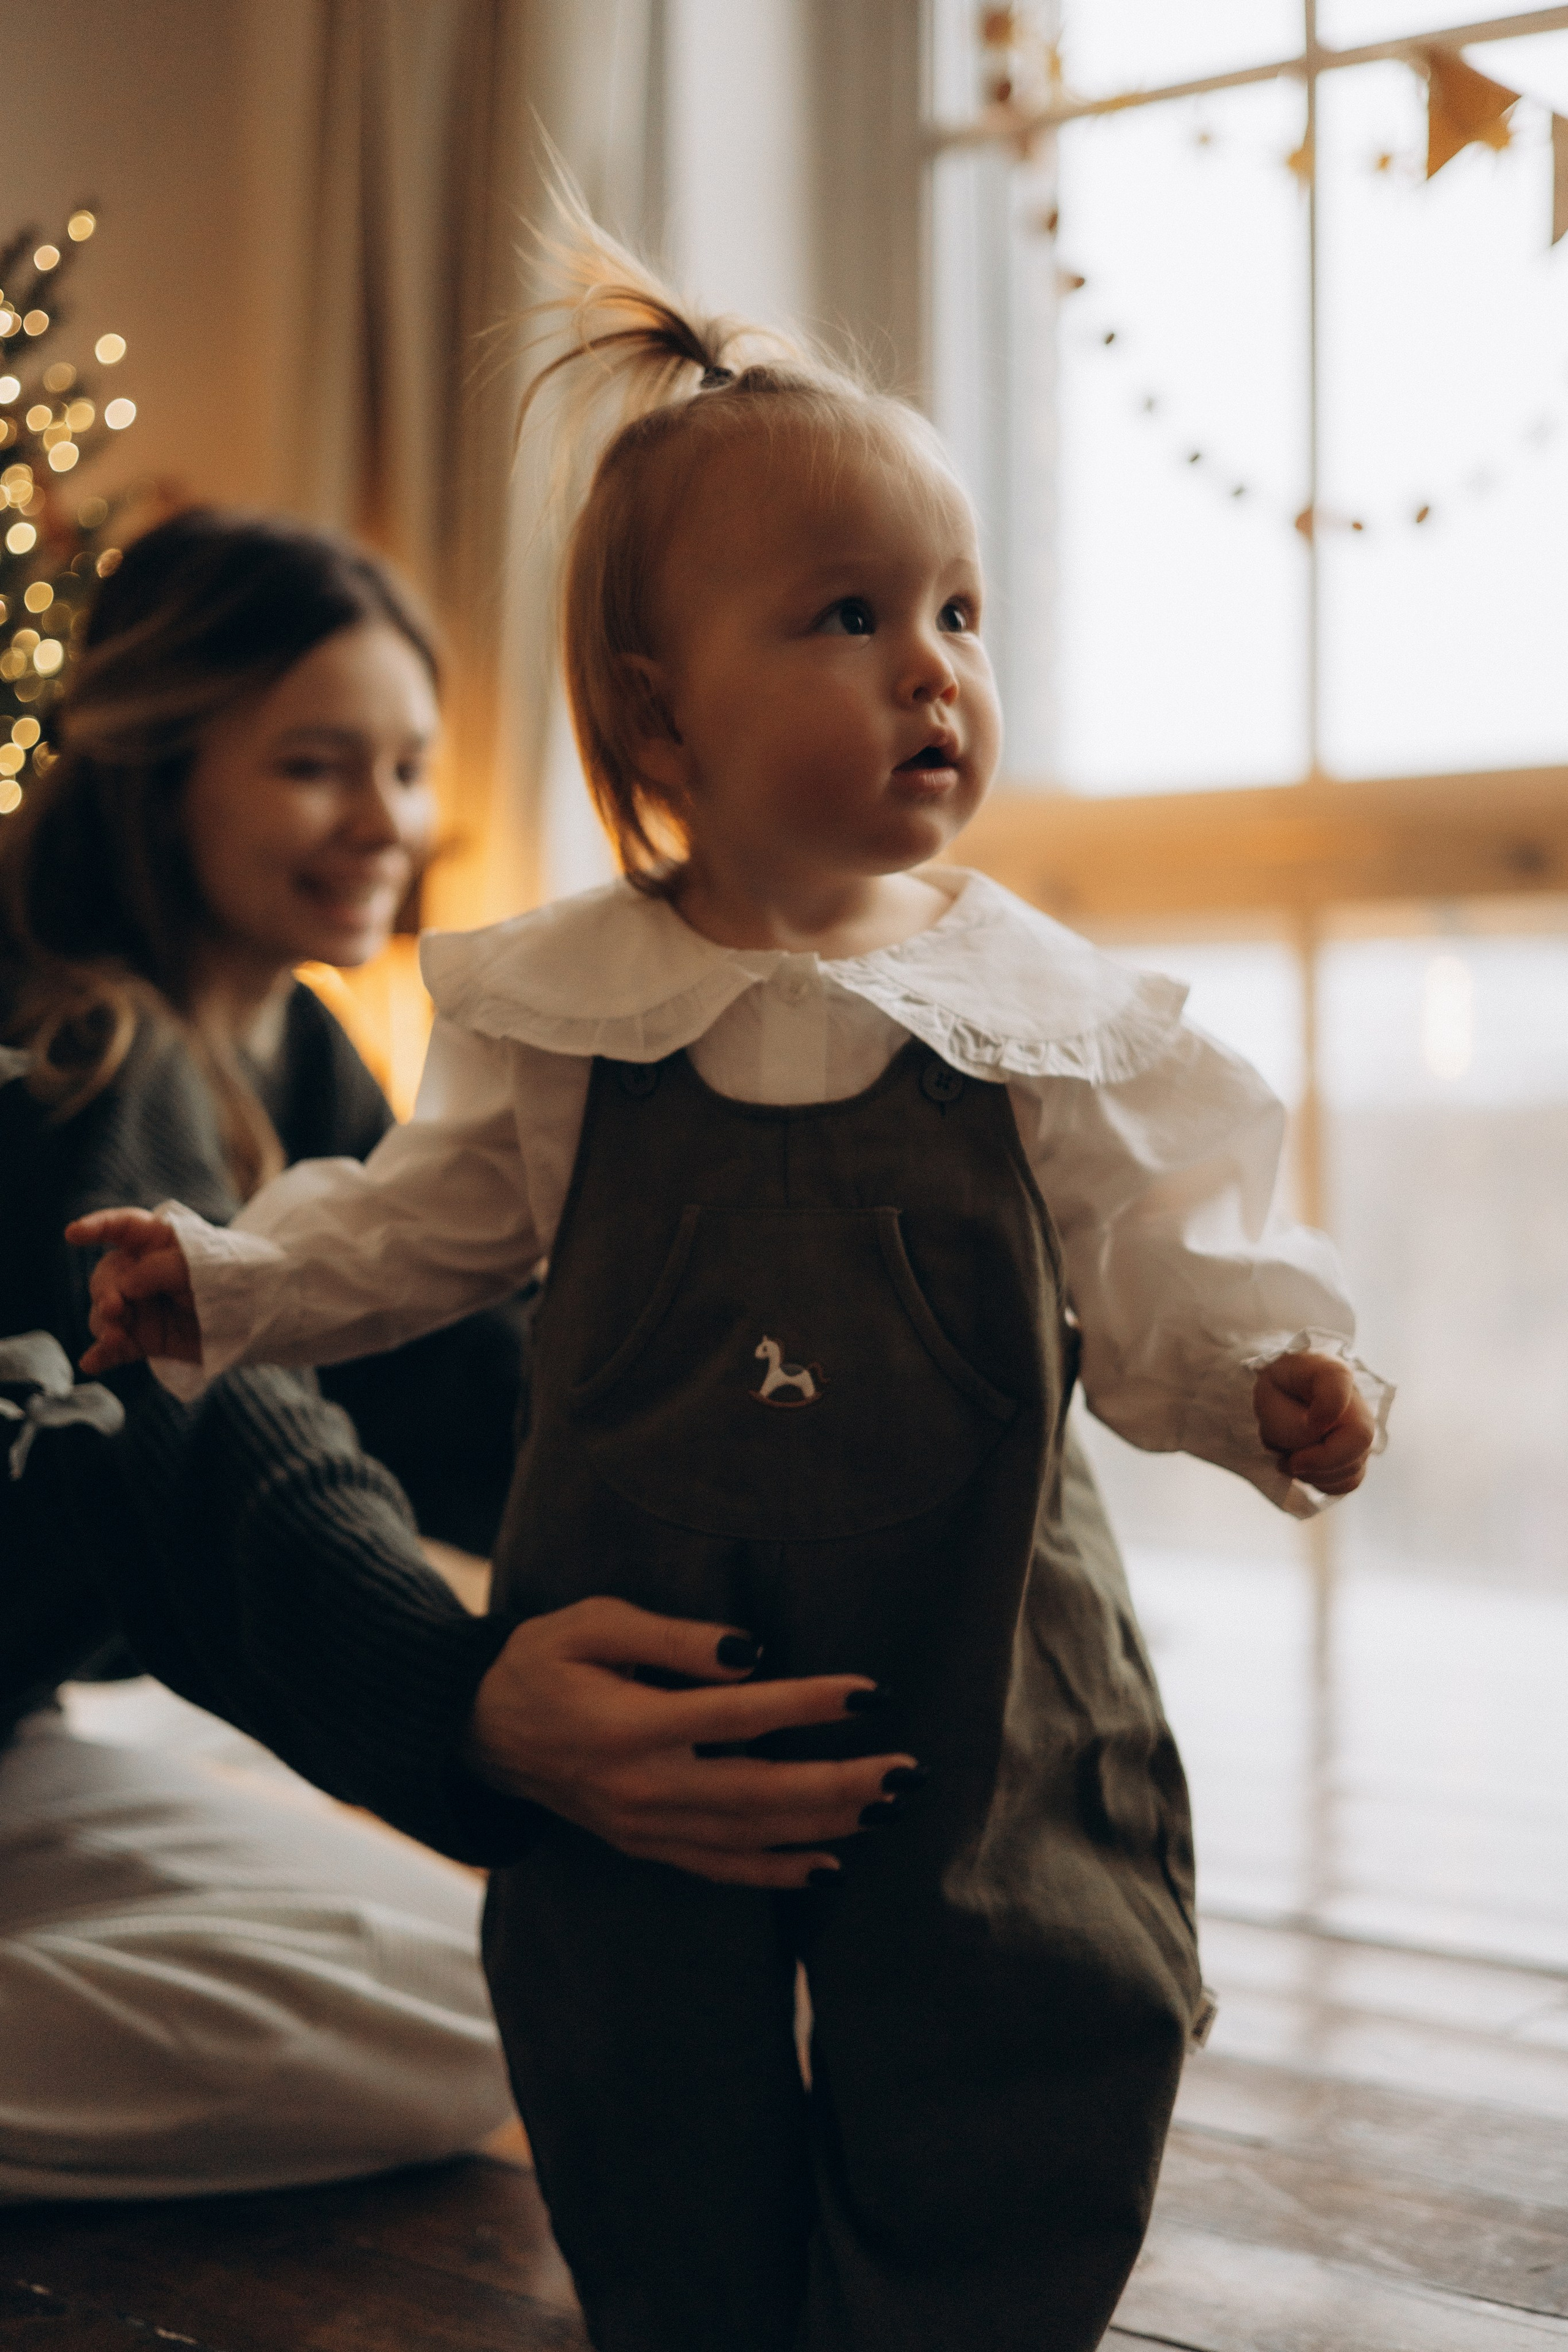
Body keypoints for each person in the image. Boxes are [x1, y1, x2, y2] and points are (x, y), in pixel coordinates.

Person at [75, 216, 1390, 2351]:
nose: (933, 667)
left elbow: (1163, 1262)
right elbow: (418, 1228)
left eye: (960, 609)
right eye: (849, 617)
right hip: (643, 1643)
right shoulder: (559, 1006)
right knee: (625, 2052)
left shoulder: (1033, 1010)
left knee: (1041, 2001)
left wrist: (1269, 1383)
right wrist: (226, 1286)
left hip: (982, 1647)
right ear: (653, 708)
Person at [2, 508, 905, 2206]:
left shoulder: (287, 1041)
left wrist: (799, 1503)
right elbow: (207, 1432)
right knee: (469, 2005)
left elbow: (475, 1385)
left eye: (409, 766)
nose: (389, 824)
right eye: (317, 767)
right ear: (158, 769)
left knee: (477, 2000)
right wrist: (462, 1703)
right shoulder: (71, 1051)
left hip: (20, 1730)